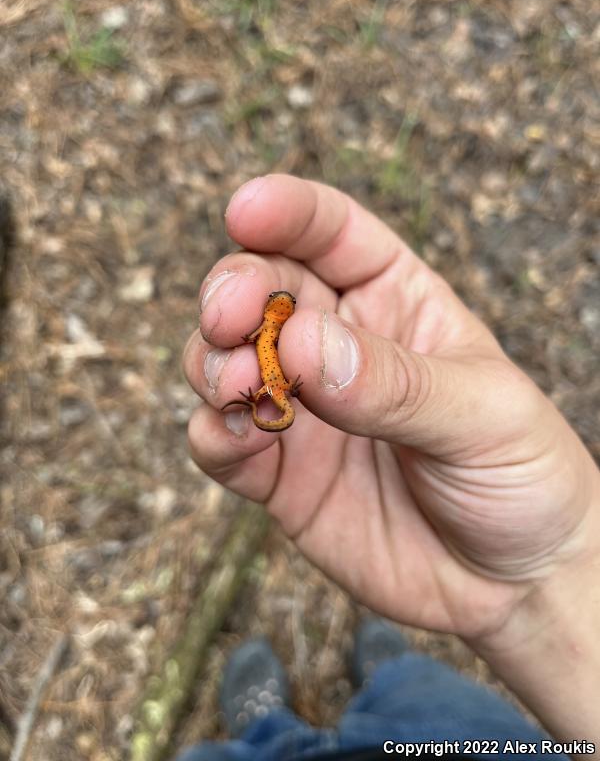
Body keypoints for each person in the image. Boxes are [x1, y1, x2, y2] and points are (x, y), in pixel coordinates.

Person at [181, 175, 600, 760]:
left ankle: (266, 732)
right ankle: (395, 676)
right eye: (276, 315)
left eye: (278, 314)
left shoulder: (276, 339)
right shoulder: (270, 341)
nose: (277, 316)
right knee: (430, 704)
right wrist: (551, 579)